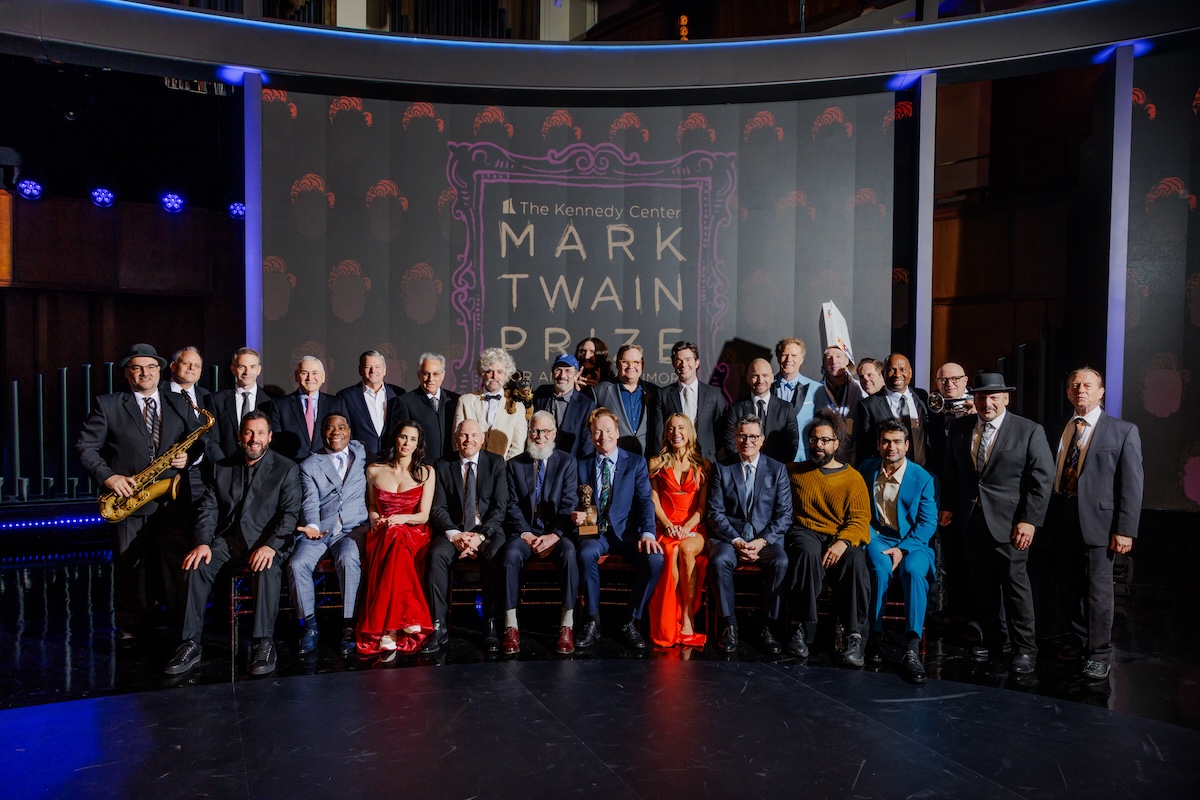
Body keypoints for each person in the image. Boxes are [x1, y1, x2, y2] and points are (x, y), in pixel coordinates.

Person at [78, 343, 203, 641]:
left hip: (171, 497)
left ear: (160, 371)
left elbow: (200, 438)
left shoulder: (178, 401)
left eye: (150, 367)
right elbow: (85, 447)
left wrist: (191, 455)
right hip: (127, 496)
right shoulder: (107, 404)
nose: (144, 373)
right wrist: (109, 478)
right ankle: (132, 625)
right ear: (126, 373)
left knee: (174, 563)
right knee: (128, 565)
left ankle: (177, 621)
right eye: (137, 368)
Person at [164, 410, 302, 676]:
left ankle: (263, 643)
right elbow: (208, 509)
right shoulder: (222, 467)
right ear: (240, 437)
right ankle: (190, 643)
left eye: (260, 433)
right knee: (195, 565)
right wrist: (203, 542)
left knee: (265, 568)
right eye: (249, 433)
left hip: (267, 542)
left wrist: (270, 545)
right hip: (229, 542)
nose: (254, 439)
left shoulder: (287, 468)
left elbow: (289, 515)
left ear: (270, 437)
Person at [941, 372, 1054, 674]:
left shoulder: (1029, 431)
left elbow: (1041, 480)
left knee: (1016, 587)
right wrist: (949, 506)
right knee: (983, 586)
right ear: (973, 399)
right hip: (971, 521)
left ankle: (1025, 649)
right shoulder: (960, 427)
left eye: (993, 397)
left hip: (1010, 524)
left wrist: (1029, 521)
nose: (986, 403)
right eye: (980, 397)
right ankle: (996, 642)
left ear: (1006, 398)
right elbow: (951, 471)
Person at [1045, 367, 1143, 681]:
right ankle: (1078, 641)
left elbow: (1131, 484)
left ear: (1101, 392)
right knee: (1069, 588)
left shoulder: (1123, 431)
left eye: (1088, 385)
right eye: (1074, 385)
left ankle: (1099, 653)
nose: (1080, 389)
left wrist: (1125, 529)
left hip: (1100, 523)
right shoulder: (1057, 426)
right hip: (1061, 518)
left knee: (1099, 592)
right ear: (1067, 391)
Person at [784, 408, 872, 666]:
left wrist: (842, 542)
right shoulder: (794, 471)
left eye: (824, 440)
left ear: (837, 443)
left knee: (856, 561)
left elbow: (859, 518)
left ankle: (854, 637)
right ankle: (800, 627)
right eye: (813, 440)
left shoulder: (853, 478)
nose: (818, 445)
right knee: (806, 552)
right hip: (806, 531)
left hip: (839, 536)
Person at [573, 408, 662, 650]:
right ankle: (592, 621)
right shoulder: (581, 465)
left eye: (608, 431)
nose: (603, 436)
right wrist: (575, 515)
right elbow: (572, 502)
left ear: (618, 433)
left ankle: (631, 621)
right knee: (584, 553)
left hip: (627, 533)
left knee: (655, 559)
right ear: (591, 437)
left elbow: (645, 500)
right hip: (595, 533)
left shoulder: (635, 463)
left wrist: (648, 532)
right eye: (597, 432)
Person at [859, 421, 938, 684]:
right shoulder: (867, 469)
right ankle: (876, 636)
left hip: (913, 541)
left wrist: (902, 549)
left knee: (915, 571)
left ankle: (912, 647)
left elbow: (927, 523)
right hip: (878, 536)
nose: (890, 447)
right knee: (879, 570)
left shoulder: (922, 477)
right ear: (879, 444)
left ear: (906, 445)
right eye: (885, 441)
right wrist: (875, 541)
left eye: (896, 442)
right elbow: (862, 514)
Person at [706, 415, 791, 655]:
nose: (747, 441)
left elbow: (784, 515)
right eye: (742, 435)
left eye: (753, 436)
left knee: (781, 561)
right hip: (730, 538)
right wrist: (736, 540)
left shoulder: (777, 469)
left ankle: (768, 627)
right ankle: (729, 625)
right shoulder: (722, 467)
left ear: (762, 440)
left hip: (765, 539)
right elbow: (714, 511)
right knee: (719, 560)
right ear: (735, 438)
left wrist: (760, 542)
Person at [423, 419, 509, 654]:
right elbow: (437, 508)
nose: (468, 440)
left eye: (473, 435)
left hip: (487, 531)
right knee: (436, 555)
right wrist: (455, 535)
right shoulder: (442, 465)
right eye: (463, 435)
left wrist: (479, 537)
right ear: (456, 438)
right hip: (455, 530)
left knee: (495, 555)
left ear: (482, 438)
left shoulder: (495, 463)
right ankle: (438, 626)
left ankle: (491, 624)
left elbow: (500, 508)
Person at [500, 411, 580, 655]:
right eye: (535, 431)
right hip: (526, 533)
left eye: (545, 431)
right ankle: (511, 626)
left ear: (554, 434)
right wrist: (525, 534)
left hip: (556, 534)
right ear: (529, 432)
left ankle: (567, 625)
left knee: (569, 553)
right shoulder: (515, 464)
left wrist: (555, 535)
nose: (540, 436)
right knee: (509, 556)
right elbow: (511, 504)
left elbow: (569, 502)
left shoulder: (567, 462)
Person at [288, 413, 366, 657]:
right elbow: (310, 501)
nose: (336, 432)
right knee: (297, 564)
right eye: (330, 428)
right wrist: (311, 524)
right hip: (320, 529)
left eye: (342, 427)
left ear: (350, 432)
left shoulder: (360, 453)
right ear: (322, 433)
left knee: (348, 559)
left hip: (352, 529)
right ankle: (310, 626)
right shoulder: (309, 465)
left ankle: (348, 625)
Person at [357, 420, 436, 655]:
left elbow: (423, 516)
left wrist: (400, 519)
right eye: (403, 437)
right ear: (395, 438)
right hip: (382, 531)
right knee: (393, 538)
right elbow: (372, 505)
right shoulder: (374, 470)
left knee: (398, 537)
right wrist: (374, 517)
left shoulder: (426, 472)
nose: (407, 443)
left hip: (413, 531)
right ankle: (408, 616)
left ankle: (388, 631)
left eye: (413, 439)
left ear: (418, 444)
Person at [647, 414, 712, 648]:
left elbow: (703, 508)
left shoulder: (703, 466)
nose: (676, 433)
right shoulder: (656, 463)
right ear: (666, 433)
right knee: (670, 550)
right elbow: (653, 500)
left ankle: (688, 618)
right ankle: (671, 619)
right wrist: (667, 525)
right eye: (671, 429)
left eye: (681, 428)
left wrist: (686, 528)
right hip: (665, 527)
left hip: (694, 528)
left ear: (689, 432)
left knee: (685, 549)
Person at [854, 353, 930, 467]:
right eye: (892, 370)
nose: (897, 374)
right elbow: (863, 449)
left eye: (902, 369)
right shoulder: (868, 405)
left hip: (924, 472)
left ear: (910, 372)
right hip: (887, 476)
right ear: (883, 373)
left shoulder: (922, 397)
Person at [658, 341, 727, 462]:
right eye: (678, 360)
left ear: (697, 362)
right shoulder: (663, 395)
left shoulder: (714, 394)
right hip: (674, 461)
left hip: (707, 461)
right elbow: (658, 432)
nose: (683, 364)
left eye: (688, 359)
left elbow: (722, 430)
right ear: (674, 365)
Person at [267, 356, 347, 462]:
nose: (310, 378)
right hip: (293, 467)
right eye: (304, 373)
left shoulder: (336, 403)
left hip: (328, 466)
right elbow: (275, 442)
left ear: (323, 377)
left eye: (315, 373)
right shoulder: (280, 405)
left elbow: (345, 437)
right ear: (296, 376)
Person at [455, 347, 528, 460]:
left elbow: (518, 447)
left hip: (503, 470)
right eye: (490, 371)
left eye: (500, 372)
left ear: (506, 375)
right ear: (482, 373)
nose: (494, 377)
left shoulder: (517, 406)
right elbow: (457, 440)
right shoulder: (466, 401)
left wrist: (502, 470)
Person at [589, 343, 661, 457]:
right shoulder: (600, 391)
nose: (630, 366)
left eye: (636, 362)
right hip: (614, 459)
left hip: (648, 459)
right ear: (617, 364)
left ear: (642, 364)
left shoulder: (655, 392)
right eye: (625, 362)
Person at [386, 352, 459, 463]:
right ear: (419, 374)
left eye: (436, 374)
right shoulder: (404, 402)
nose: (431, 379)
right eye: (426, 373)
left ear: (443, 375)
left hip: (451, 467)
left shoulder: (455, 400)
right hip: (419, 467)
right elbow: (396, 439)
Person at [724, 357, 799, 464]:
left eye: (765, 375)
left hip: (776, 472)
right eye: (755, 376)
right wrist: (748, 466)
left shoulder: (786, 409)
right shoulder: (735, 409)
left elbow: (792, 444)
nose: (760, 380)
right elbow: (731, 443)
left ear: (772, 378)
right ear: (747, 378)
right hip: (744, 470)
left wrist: (776, 470)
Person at [205, 347, 274, 460]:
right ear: (233, 369)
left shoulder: (272, 400)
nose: (247, 372)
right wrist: (222, 468)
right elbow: (211, 440)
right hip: (226, 466)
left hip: (262, 468)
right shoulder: (216, 400)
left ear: (259, 370)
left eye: (252, 367)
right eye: (242, 367)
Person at [337, 349, 403, 462]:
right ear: (360, 370)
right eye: (368, 367)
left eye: (377, 366)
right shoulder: (346, 396)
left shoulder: (399, 394)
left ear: (384, 370)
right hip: (359, 461)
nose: (373, 370)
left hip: (393, 460)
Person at [532, 353, 596, 460]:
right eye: (558, 370)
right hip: (540, 462)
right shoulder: (541, 394)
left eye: (568, 371)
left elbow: (587, 446)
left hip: (569, 467)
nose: (562, 376)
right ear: (552, 373)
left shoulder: (586, 406)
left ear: (576, 375)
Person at [770, 337, 820, 458]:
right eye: (785, 355)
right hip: (771, 458)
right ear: (778, 357)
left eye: (794, 355)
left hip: (804, 459)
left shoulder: (817, 389)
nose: (789, 360)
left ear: (801, 359)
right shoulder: (766, 387)